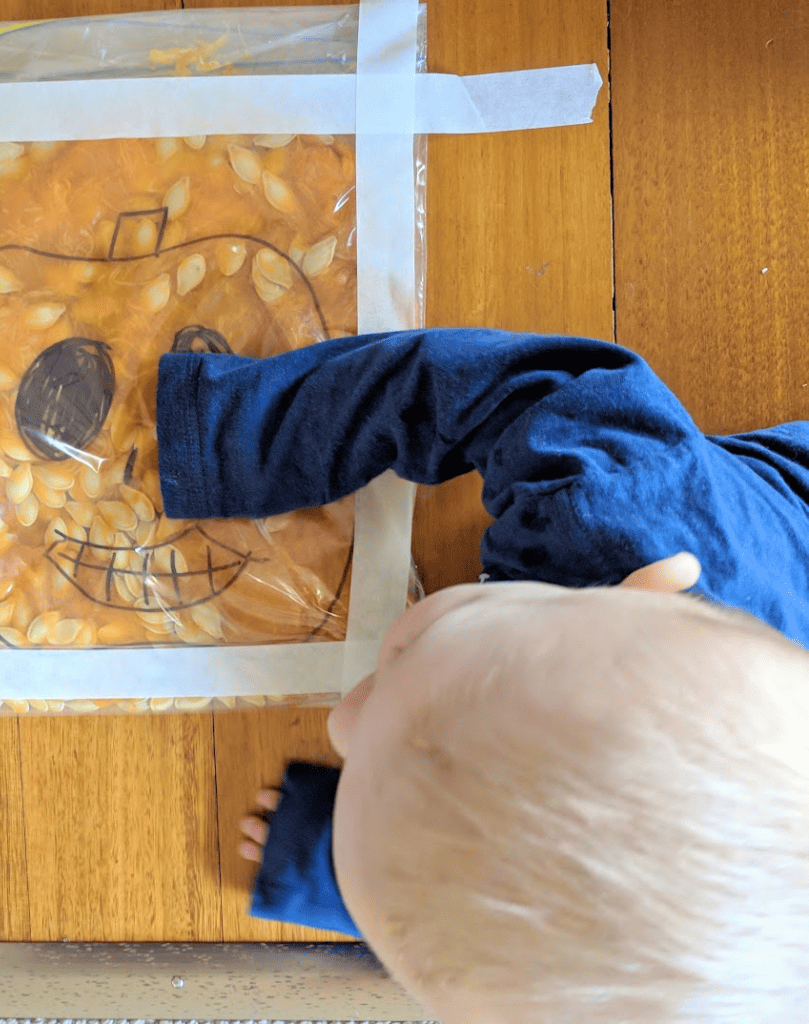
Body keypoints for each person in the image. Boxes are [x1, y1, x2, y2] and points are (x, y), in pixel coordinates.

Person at [155, 328, 809, 1023]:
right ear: (634, 594)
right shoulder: (602, 492)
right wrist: (236, 436)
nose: (337, 720)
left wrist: (374, 872)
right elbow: (458, 384)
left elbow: (576, 946)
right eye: (404, 658)